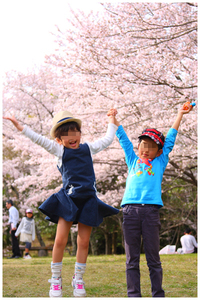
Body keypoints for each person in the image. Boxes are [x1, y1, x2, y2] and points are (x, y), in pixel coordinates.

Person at [3, 109, 119, 298]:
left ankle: (78, 279)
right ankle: (56, 280)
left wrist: (112, 121)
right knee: (60, 240)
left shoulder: (88, 148)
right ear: (59, 139)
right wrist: (19, 126)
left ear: (80, 133)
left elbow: (107, 139)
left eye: (75, 132)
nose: (71, 137)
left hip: (88, 200)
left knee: (83, 242)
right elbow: (38, 139)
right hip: (68, 200)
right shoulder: (59, 150)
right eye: (66, 134)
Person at [108, 103, 194, 297]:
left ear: (158, 151)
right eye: (143, 145)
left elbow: (171, 139)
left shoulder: (160, 162)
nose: (146, 149)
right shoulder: (132, 160)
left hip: (150, 212)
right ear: (138, 147)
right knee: (132, 259)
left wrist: (180, 114)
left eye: (151, 147)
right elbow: (122, 139)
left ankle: (158, 294)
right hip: (130, 211)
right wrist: (113, 119)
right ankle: (134, 295)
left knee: (153, 258)